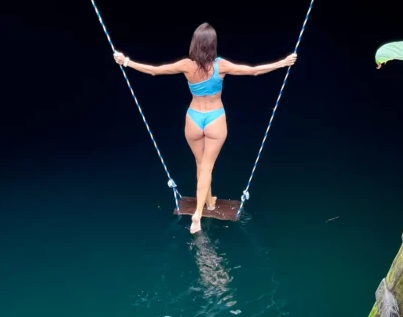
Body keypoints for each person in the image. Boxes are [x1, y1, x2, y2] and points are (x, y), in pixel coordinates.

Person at [113, 23, 296, 234]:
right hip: (214, 118)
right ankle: (198, 215)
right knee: (207, 167)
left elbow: (154, 71)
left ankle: (209, 202)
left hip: (193, 118)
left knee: (200, 164)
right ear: (213, 45)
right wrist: (283, 63)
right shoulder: (221, 65)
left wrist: (126, 61)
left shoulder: (186, 65)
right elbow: (254, 72)